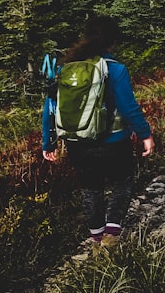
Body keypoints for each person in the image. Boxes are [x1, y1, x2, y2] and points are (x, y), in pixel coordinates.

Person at [42, 15, 155, 247]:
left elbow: (50, 108)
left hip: (77, 143)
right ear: (112, 42)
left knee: (91, 190)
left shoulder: (65, 70)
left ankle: (96, 239)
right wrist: (145, 134)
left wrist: (48, 142)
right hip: (114, 141)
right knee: (121, 183)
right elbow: (128, 107)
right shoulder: (115, 69)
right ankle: (112, 235)